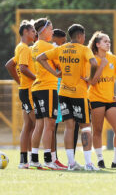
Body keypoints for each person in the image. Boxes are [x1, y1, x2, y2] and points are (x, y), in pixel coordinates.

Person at [37, 24, 103, 171]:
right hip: (79, 93)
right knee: (85, 127)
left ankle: (71, 163)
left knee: (69, 127)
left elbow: (40, 58)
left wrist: (55, 73)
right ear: (80, 36)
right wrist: (90, 78)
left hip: (63, 93)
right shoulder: (84, 49)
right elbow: (93, 63)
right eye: (84, 36)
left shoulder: (61, 48)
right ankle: (88, 164)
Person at [87, 31, 116, 169]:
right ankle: (100, 159)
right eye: (105, 41)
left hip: (110, 100)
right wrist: (102, 65)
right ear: (97, 44)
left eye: (109, 41)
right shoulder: (91, 59)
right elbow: (92, 82)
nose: (108, 43)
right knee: (98, 130)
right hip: (96, 99)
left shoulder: (113, 58)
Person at [29, 18, 61, 170]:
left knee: (40, 124)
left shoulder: (35, 45)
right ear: (43, 31)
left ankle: (34, 158)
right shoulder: (47, 46)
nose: (52, 31)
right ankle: (49, 160)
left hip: (37, 87)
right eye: (50, 28)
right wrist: (56, 72)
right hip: (47, 87)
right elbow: (58, 65)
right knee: (49, 125)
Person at [5, 20, 36, 169]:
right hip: (29, 91)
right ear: (25, 32)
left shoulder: (21, 48)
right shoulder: (24, 48)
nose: (34, 33)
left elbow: (9, 65)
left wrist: (20, 82)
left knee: (28, 126)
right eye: (32, 31)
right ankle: (32, 159)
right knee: (38, 124)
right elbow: (22, 68)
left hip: (25, 89)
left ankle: (25, 161)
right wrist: (37, 79)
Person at [50, 28, 69, 169]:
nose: (64, 44)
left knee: (48, 126)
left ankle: (35, 158)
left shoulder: (42, 48)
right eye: (62, 42)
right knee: (52, 126)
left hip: (49, 89)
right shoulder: (54, 50)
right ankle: (52, 158)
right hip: (54, 89)